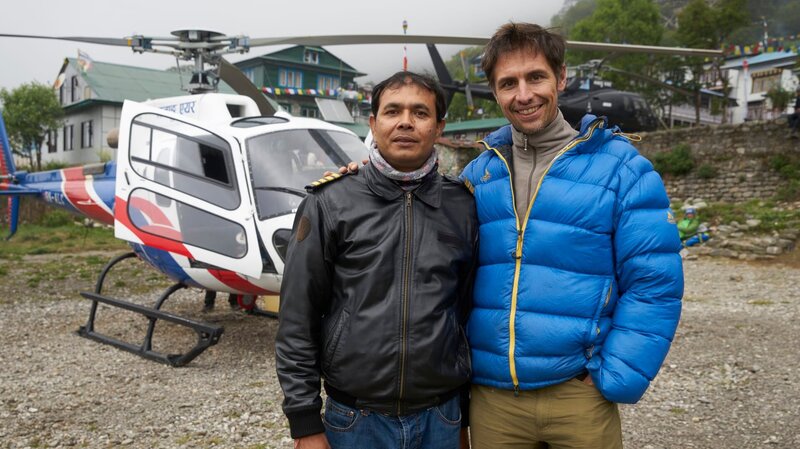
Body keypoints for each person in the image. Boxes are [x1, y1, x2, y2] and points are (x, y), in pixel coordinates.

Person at [457, 23, 684, 448]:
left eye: (535, 77)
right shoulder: (478, 174)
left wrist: (615, 375)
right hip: (492, 400)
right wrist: (356, 182)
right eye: (508, 83)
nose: (523, 95)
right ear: (495, 91)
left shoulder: (623, 170)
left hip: (578, 394)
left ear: (561, 78)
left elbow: (655, 283)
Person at [276, 71, 477, 449]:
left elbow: (464, 315)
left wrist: (463, 417)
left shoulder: (462, 206)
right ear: (373, 123)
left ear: (438, 127)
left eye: (420, 112)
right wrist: (304, 422)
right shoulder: (329, 203)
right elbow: (296, 319)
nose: (405, 121)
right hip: (355, 419)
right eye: (392, 111)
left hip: (442, 418)